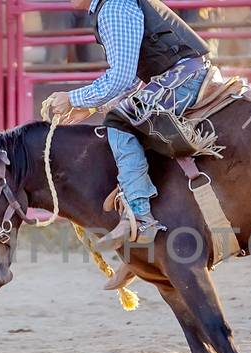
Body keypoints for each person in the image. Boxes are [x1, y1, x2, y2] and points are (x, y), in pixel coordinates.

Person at [40, 0, 212, 244]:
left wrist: (72, 98)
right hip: (181, 73)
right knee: (124, 116)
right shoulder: (115, 5)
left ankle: (140, 216)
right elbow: (130, 79)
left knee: (120, 122)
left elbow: (122, 77)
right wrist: (90, 106)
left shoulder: (113, 7)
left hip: (182, 76)